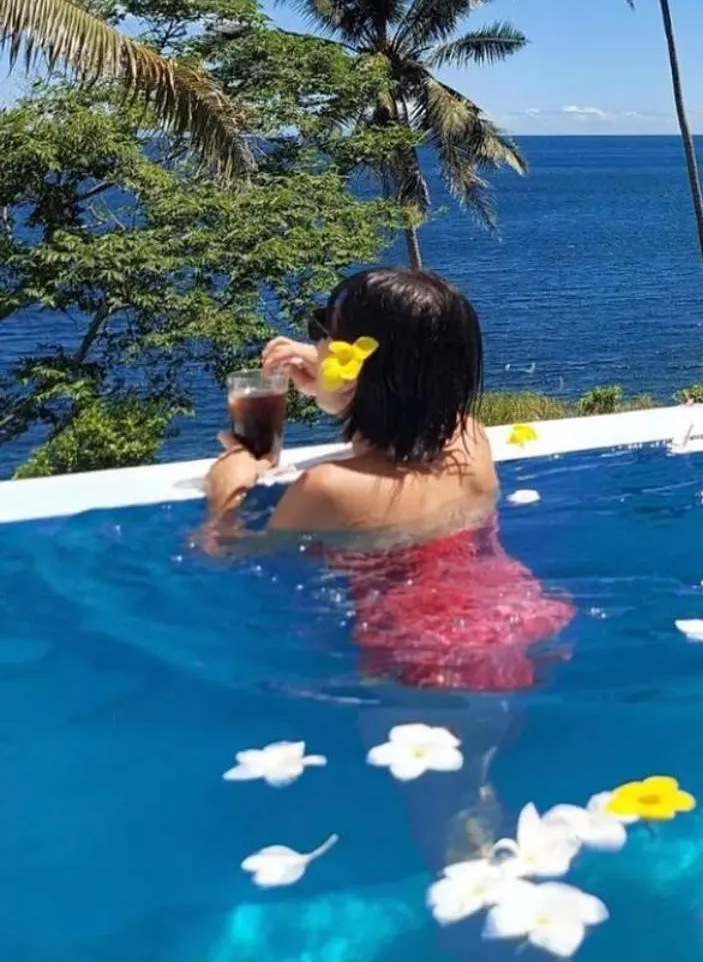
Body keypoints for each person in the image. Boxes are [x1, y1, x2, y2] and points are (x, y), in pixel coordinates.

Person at [204, 267, 571, 691]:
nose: (316, 345)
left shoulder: (328, 489)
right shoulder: (472, 440)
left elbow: (227, 555)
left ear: (351, 371)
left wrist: (228, 486)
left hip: (425, 661)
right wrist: (334, 387)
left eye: (321, 329)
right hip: (518, 621)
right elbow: (405, 408)